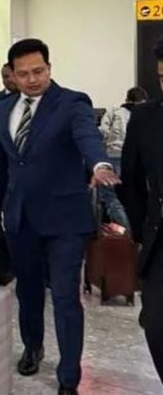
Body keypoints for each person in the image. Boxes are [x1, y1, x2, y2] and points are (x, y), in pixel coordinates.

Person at [0, 39, 119, 395]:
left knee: (64, 295)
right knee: (28, 291)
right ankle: (33, 347)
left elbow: (87, 137)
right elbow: (1, 167)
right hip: (20, 218)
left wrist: (99, 163)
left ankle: (69, 375)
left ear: (49, 68)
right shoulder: (1, 110)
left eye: (39, 71)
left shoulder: (72, 103)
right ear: (11, 74)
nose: (32, 79)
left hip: (65, 220)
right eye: (24, 73)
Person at [122, 38, 163, 387]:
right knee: (157, 326)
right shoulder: (145, 117)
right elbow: (131, 181)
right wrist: (141, 230)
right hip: (159, 240)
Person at [99, 86, 148, 174]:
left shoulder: (146, 115)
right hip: (116, 153)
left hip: (129, 154)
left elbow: (103, 131)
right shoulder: (115, 112)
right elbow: (103, 131)